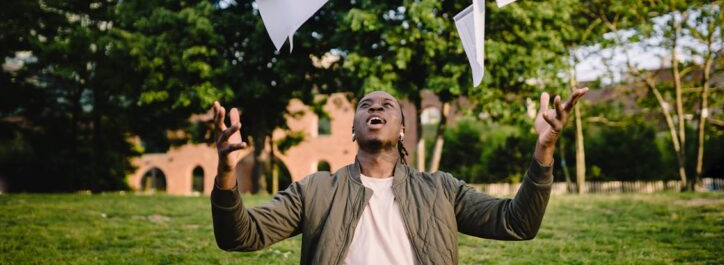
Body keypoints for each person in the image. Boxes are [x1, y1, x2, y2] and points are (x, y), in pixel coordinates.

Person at [211, 88, 588, 265]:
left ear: (403, 130)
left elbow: (517, 223)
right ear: (355, 131)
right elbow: (238, 236)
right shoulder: (316, 189)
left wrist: (544, 149)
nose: (376, 107)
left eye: (387, 105)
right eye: (366, 106)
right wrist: (227, 171)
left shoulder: (441, 189)